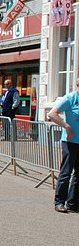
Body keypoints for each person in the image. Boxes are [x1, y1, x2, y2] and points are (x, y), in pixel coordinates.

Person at [48, 74, 79, 213]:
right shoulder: (70, 98)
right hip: (70, 141)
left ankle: (72, 203)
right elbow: (52, 114)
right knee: (66, 172)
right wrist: (66, 126)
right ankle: (59, 202)